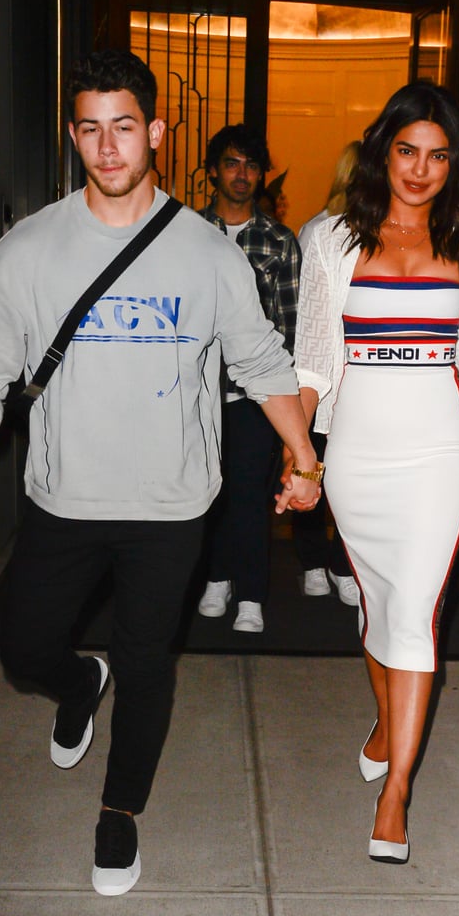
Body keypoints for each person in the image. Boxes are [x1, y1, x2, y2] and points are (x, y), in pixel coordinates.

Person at [0, 50, 321, 897]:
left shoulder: (206, 253)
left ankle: (120, 814)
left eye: (123, 127)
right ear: (74, 136)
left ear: (153, 130)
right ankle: (80, 684)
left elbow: (261, 361)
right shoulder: (28, 249)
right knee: (26, 648)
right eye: (89, 130)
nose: (107, 149)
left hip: (171, 505)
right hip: (65, 501)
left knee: (149, 659)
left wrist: (302, 455)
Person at [291, 81, 459, 863]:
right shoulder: (329, 238)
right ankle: (386, 721)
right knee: (378, 604)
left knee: (416, 612)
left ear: (454, 164)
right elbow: (313, 355)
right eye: (407, 151)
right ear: (383, 152)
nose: (420, 170)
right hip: (356, 456)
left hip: (435, 458)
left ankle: (395, 796)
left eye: (437, 155)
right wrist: (301, 453)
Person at [197, 124, 301, 633]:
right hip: (194, 393)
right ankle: (216, 577)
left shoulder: (279, 240)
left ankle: (252, 595)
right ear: (213, 170)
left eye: (252, 165)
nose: (242, 175)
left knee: (248, 493)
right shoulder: (185, 233)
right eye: (233, 163)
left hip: (254, 394)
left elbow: (289, 326)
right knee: (206, 491)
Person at [293, 141, 362, 605]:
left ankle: (342, 563)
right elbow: (305, 315)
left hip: (359, 389)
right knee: (308, 470)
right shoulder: (317, 231)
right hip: (316, 381)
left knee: (350, 483)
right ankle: (313, 562)